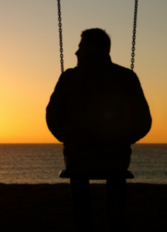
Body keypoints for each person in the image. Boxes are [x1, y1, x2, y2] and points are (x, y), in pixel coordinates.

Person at [46, 28, 152, 232]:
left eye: (80, 47)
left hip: (78, 157)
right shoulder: (126, 77)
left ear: (92, 48)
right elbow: (144, 120)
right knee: (116, 206)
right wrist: (126, 139)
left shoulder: (70, 78)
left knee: (81, 206)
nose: (76, 53)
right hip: (115, 156)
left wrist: (68, 138)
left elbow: (52, 116)